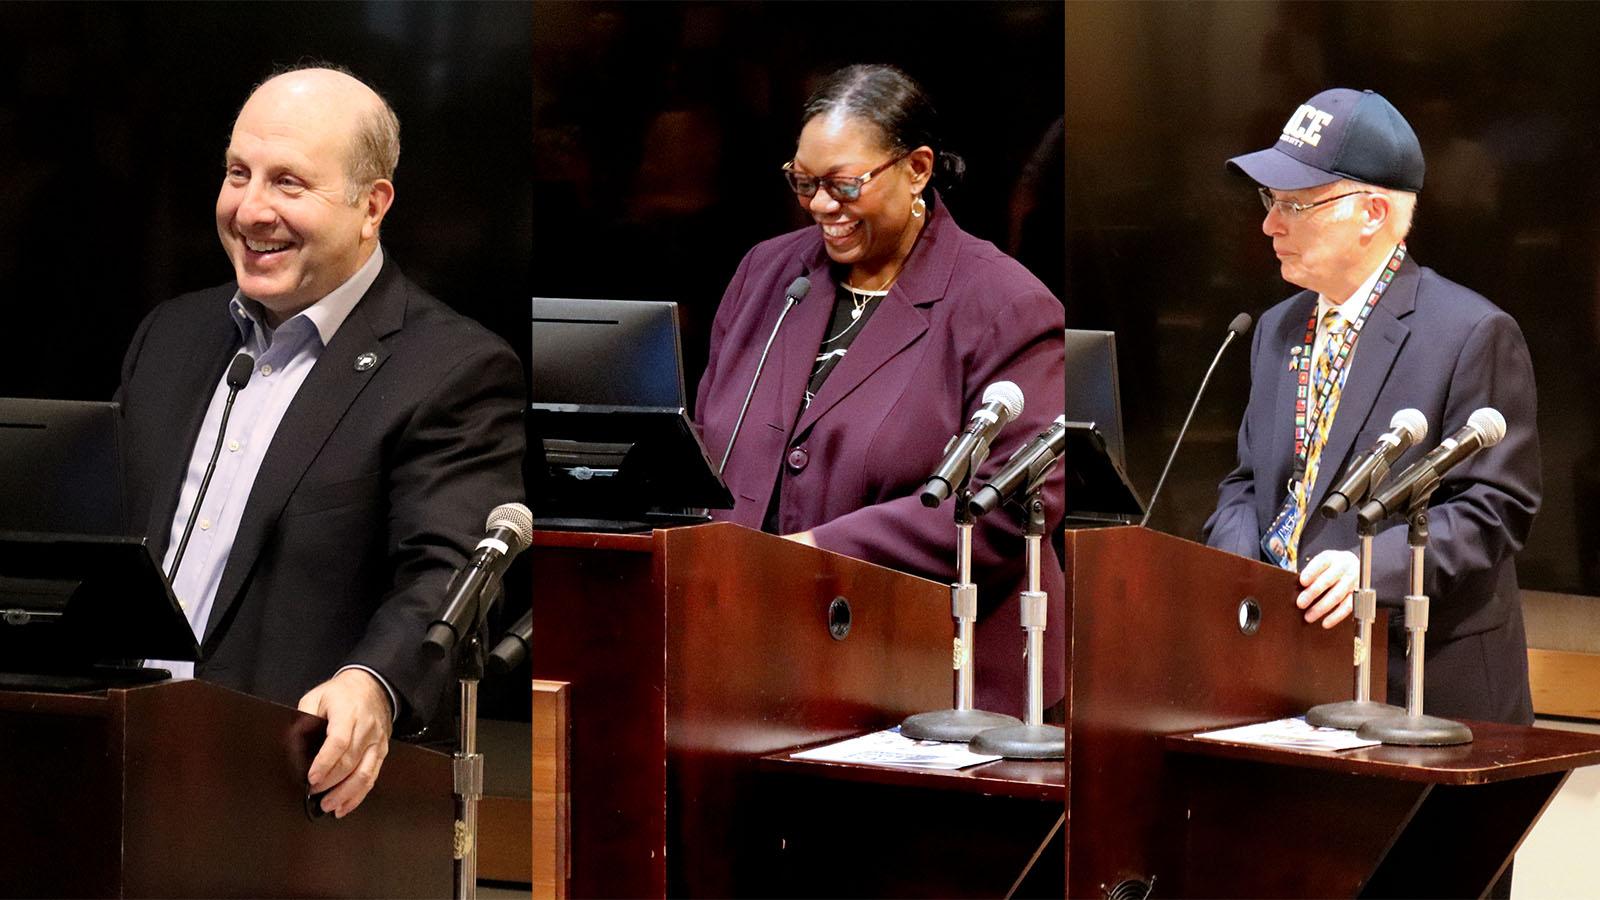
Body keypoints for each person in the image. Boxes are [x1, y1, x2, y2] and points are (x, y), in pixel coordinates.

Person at [116, 66, 525, 817]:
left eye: (290, 183)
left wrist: (372, 682)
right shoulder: (170, 336)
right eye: (239, 174)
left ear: (372, 206)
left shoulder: (452, 370)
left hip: (286, 786)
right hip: (114, 764)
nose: (251, 209)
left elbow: (443, 573)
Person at [694, 64, 1066, 716]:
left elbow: (1007, 506)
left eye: (843, 185)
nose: (818, 206)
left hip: (929, 670)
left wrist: (812, 556)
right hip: (745, 650)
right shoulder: (768, 275)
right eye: (803, 182)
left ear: (917, 168)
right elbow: (706, 451)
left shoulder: (1004, 304)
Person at [1204, 88, 1541, 728]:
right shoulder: (1277, 328)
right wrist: (1246, 568)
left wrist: (1370, 565)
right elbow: (1249, 483)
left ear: (1372, 213)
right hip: (1289, 663)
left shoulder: (1472, 333)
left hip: (1421, 682)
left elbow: (1496, 510)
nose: (1270, 225)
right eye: (1269, 202)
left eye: (1295, 205)